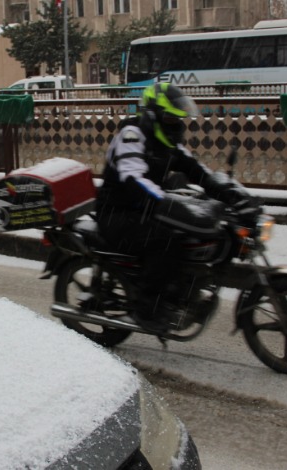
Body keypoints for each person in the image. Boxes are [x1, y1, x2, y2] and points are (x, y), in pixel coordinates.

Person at [96, 82, 248, 332]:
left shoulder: (166, 141)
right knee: (165, 241)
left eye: (178, 119)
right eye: (169, 117)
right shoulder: (132, 135)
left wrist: (230, 196)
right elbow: (133, 178)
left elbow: (197, 171)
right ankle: (148, 309)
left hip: (144, 210)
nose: (175, 124)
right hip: (117, 213)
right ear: (153, 115)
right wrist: (165, 204)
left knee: (188, 235)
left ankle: (180, 292)